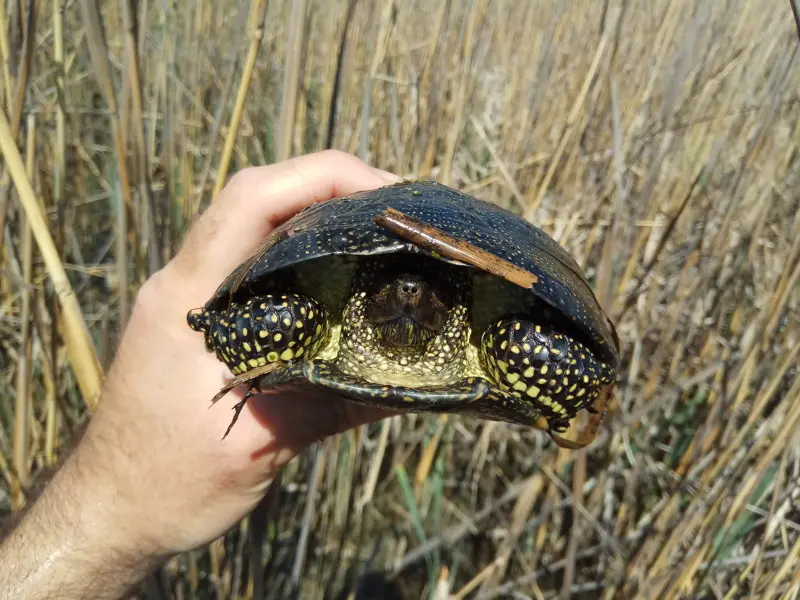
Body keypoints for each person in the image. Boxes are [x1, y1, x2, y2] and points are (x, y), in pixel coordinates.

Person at [0, 151, 399, 600]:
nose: (408, 295)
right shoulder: (320, 317)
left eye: (429, 295)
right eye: (392, 290)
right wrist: (115, 498)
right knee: (293, 318)